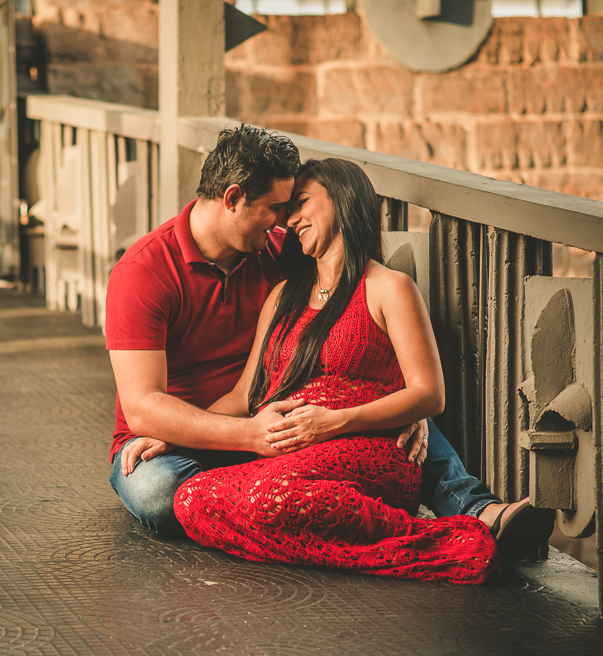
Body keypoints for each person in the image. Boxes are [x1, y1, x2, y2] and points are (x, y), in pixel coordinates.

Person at [106, 126, 551, 551]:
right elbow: (144, 406)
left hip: (272, 417)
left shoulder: (276, 251)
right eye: (278, 208)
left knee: (370, 408)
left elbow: (349, 320)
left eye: (293, 206)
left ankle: (475, 507)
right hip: (175, 432)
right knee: (158, 492)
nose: (286, 221)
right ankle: (349, 520)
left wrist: (403, 405)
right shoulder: (143, 272)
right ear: (233, 198)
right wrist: (205, 436)